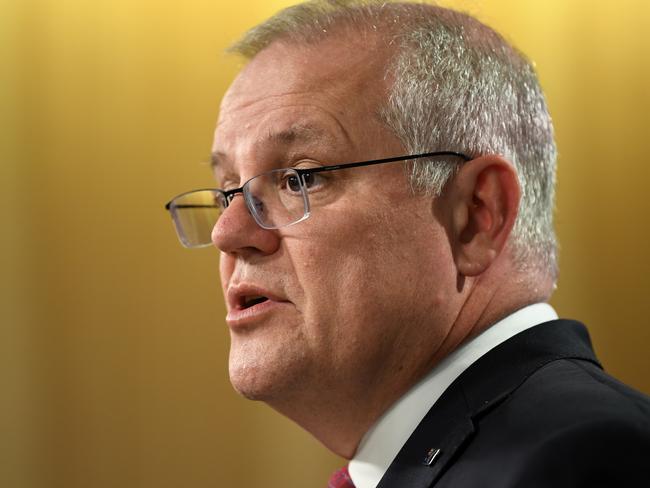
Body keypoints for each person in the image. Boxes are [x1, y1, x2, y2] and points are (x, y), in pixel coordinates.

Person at [164, 1, 650, 486]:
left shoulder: (583, 458)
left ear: (477, 216)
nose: (226, 233)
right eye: (229, 189)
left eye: (300, 179)